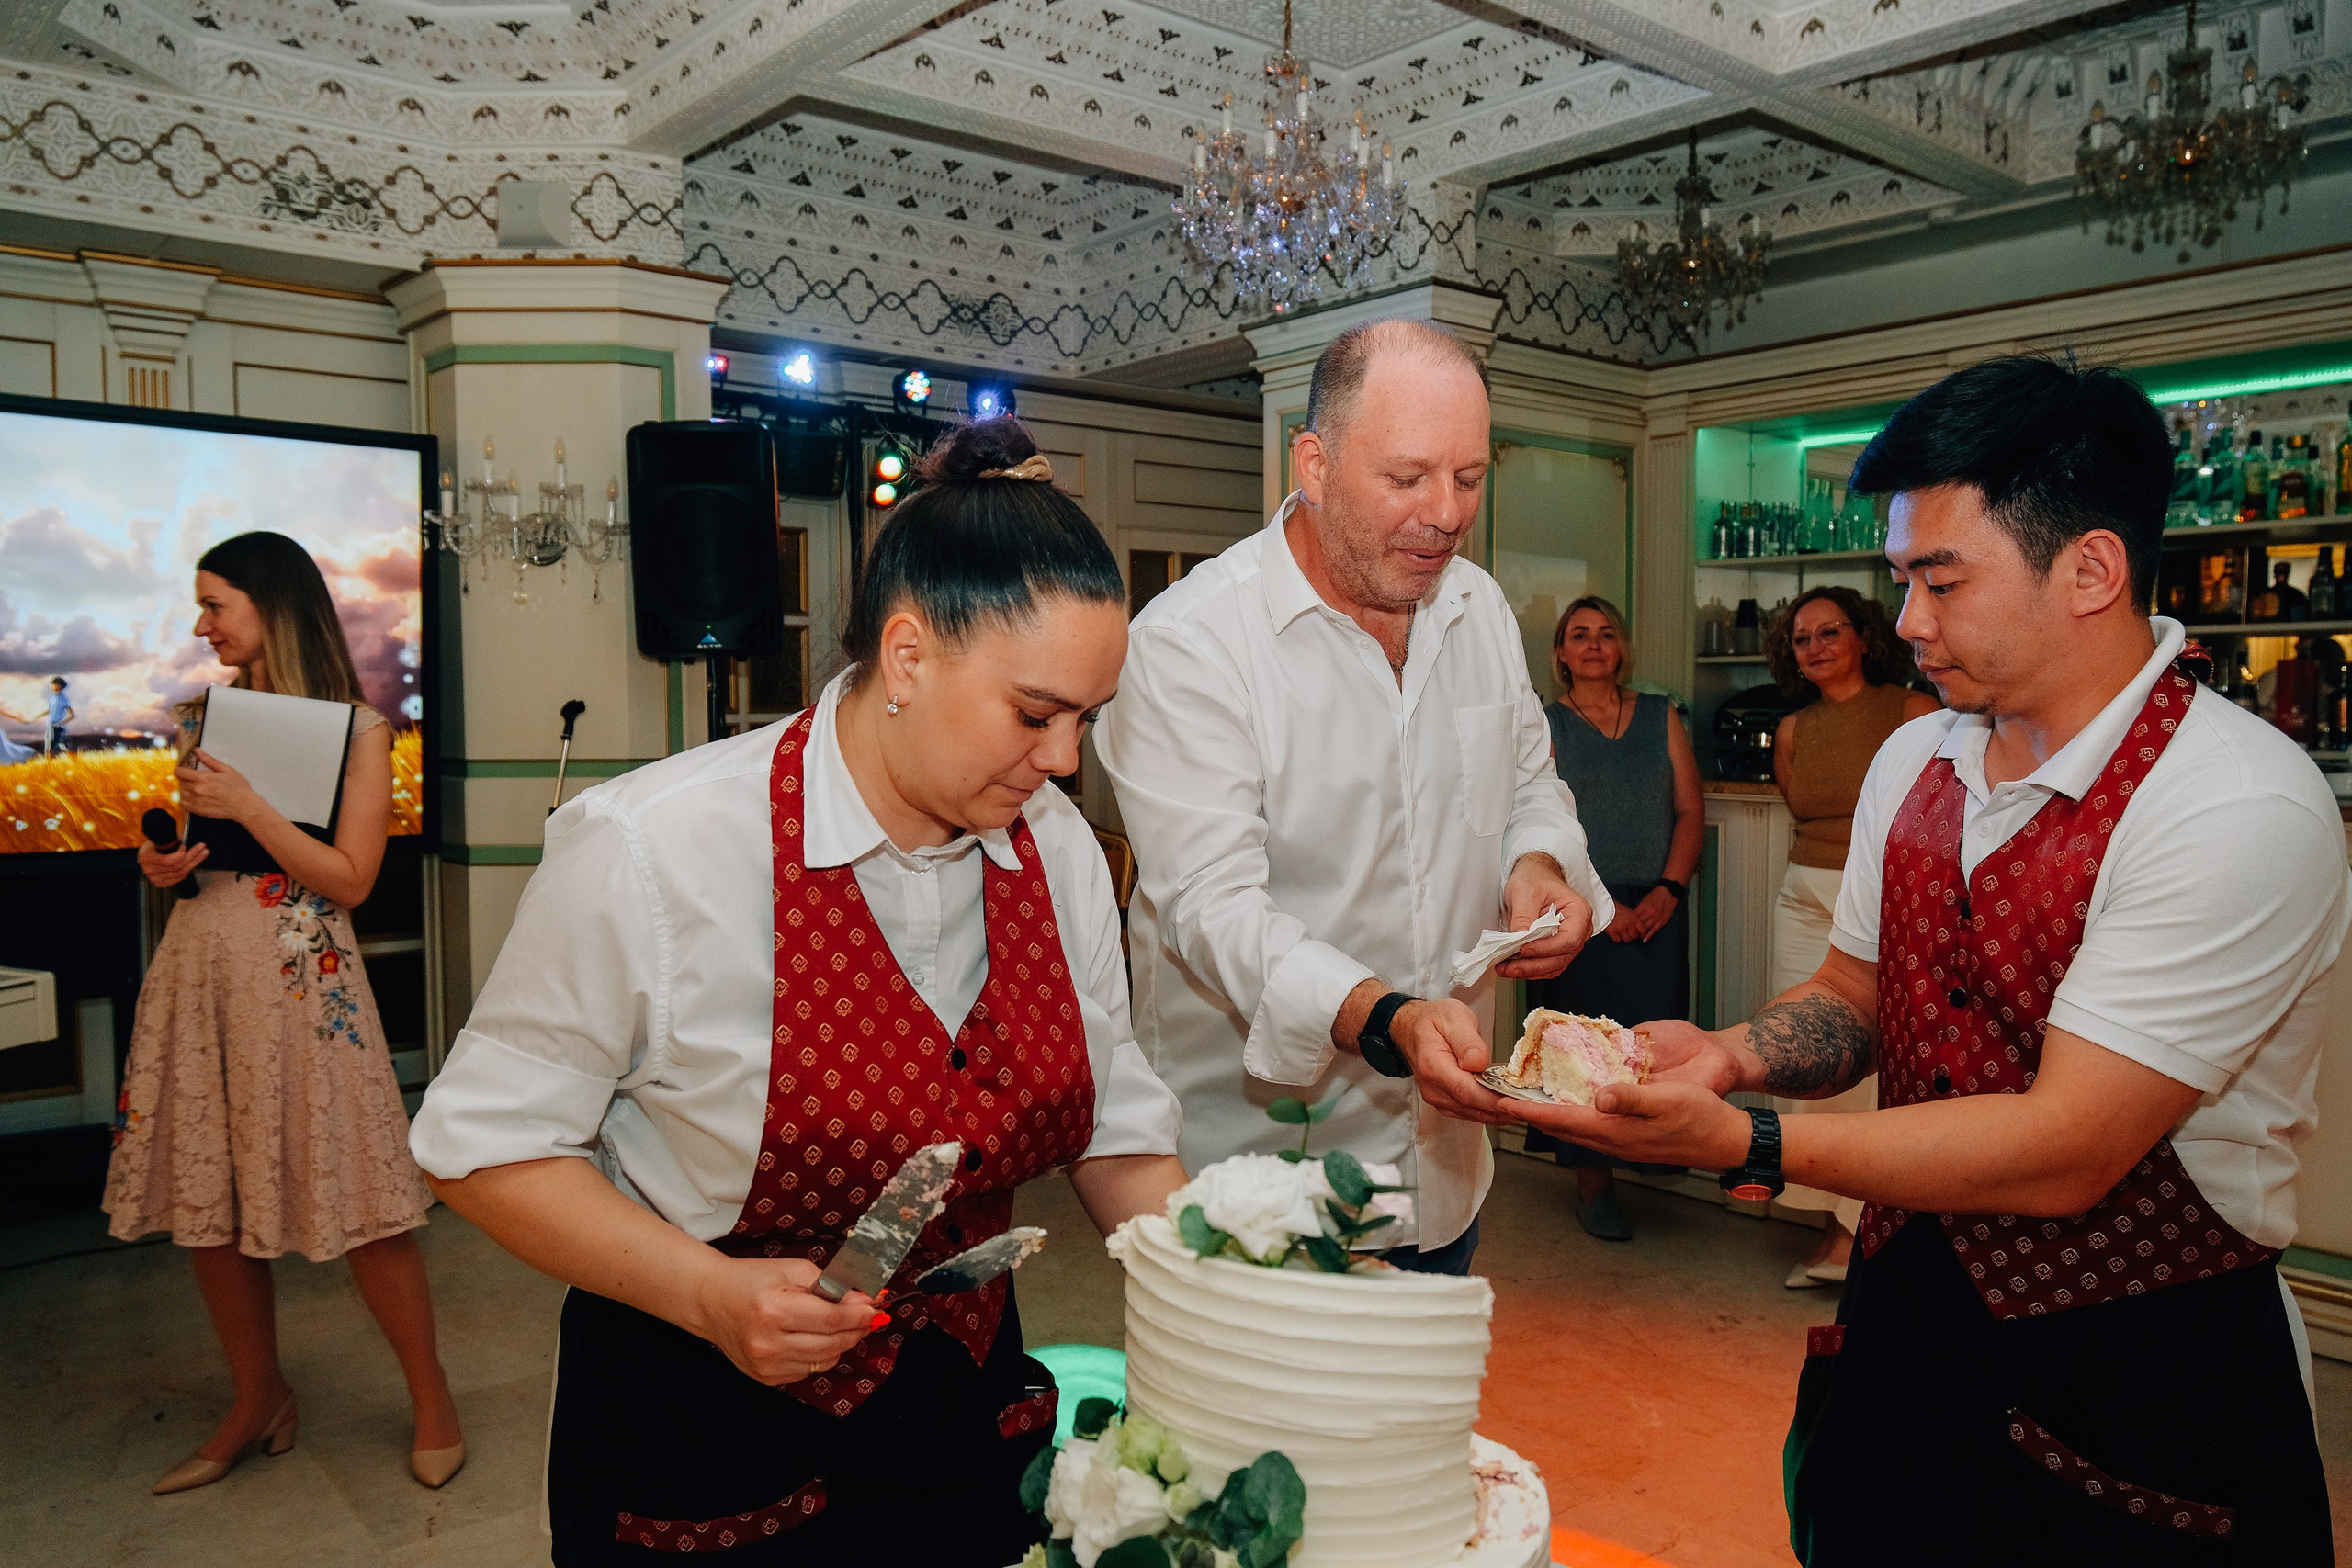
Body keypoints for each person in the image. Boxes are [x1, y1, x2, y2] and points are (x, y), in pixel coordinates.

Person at [1520, 355, 2344, 1565]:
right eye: (1902, 579)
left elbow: (2070, 1145)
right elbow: (1856, 995)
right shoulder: (1923, 761)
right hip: (1909, 1308)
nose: (1905, 621)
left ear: (2091, 569)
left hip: (2146, 1347)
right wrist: (1735, 1050)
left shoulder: (2232, 800)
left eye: (1940, 580)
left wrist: (1748, 1139)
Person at [410, 419, 1186, 1568]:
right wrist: (710, 1296)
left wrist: (1240, 1302)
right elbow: (479, 1149)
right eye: (1035, 713)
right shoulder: (651, 851)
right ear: (909, 656)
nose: (1065, 759)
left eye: (1088, 719)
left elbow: (1113, 1122)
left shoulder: (1054, 847)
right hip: (706, 1427)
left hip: (962, 1414)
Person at [1096, 319, 1608, 1277]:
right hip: (1252, 1189)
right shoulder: (1191, 644)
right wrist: (1391, 1017)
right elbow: (1213, 907)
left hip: (1444, 1168)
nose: (1446, 514)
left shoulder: (1480, 608)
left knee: (1417, 1427)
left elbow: (1530, 785)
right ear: (1315, 463)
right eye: (1407, 478)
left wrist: (1537, 862)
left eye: (1469, 478)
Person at [103, 531, 465, 1495]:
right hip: (200, 970)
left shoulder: (359, 728)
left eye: (215, 603)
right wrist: (166, 865)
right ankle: (256, 1395)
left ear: (273, 603)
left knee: (360, 1197)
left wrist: (253, 807)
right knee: (208, 1196)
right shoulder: (200, 717)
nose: (201, 623)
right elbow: (197, 852)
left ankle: (432, 1396)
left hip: (304, 980)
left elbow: (349, 879)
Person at [1761, 587, 1937, 1286]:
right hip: (1801, 895)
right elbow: (1806, 813)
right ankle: (1822, 1209)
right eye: (1801, 638)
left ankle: (1852, 1230)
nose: (1816, 647)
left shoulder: (1912, 710)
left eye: (1830, 631)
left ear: (1864, 636)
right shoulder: (1794, 728)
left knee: (1873, 1061)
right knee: (1799, 1048)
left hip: (1881, 901)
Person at [1519, 595, 1702, 1242]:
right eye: (1578, 635)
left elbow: (1688, 811)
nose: (1593, 645)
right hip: (1582, 909)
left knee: (1651, 1044)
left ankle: (1648, 1154)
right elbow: (1542, 823)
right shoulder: (1546, 725)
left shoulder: (1661, 717)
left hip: (1657, 906)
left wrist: (1668, 892)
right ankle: (1593, 1183)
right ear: (1561, 654)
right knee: (1583, 1049)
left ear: (1621, 648)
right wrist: (1603, 905)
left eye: (1605, 634)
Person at [45, 675, 73, 754]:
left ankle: (48, 765)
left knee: (49, 748)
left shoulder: (63, 699)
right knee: (64, 746)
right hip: (50, 725)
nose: (50, 686)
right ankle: (78, 763)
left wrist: (59, 723)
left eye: (52, 684)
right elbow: (49, 710)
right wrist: (34, 717)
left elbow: (71, 715)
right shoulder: (51, 698)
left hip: (57, 727)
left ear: (58, 685)